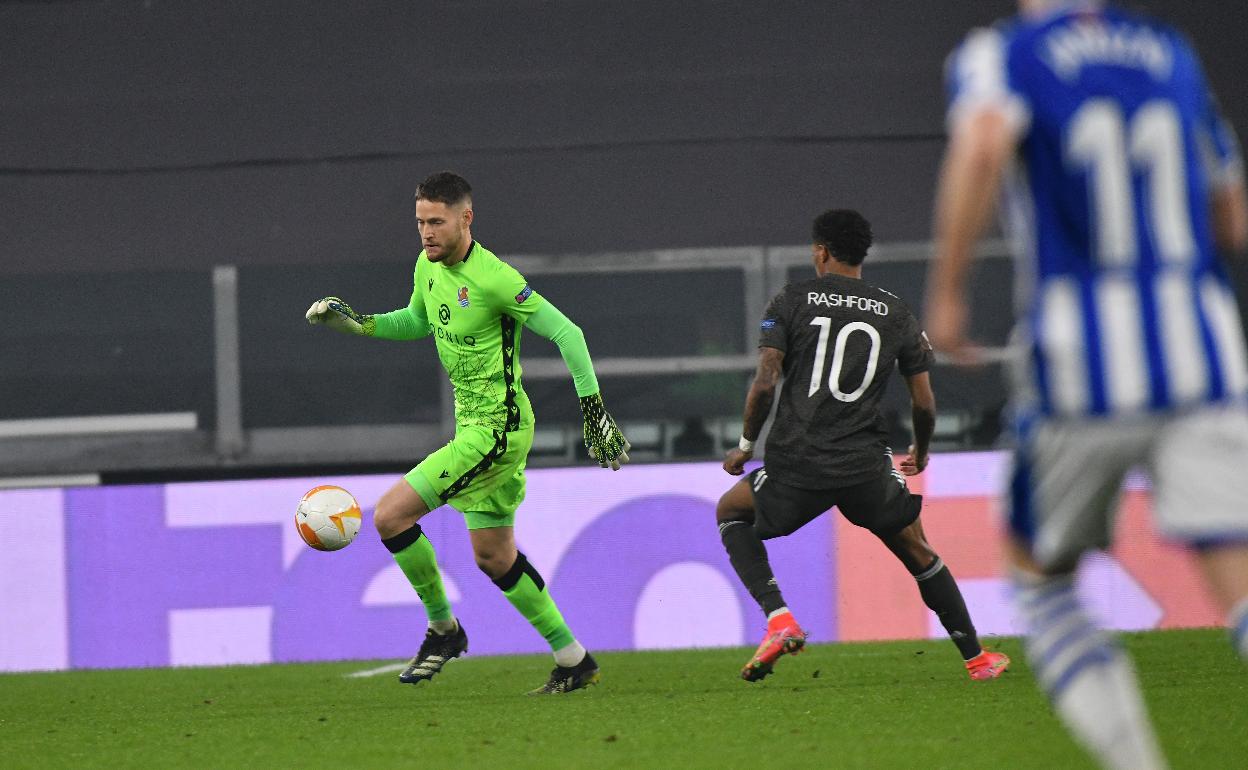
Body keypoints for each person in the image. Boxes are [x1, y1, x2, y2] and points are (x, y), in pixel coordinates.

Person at [928, 2, 1248, 767]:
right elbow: (1230, 213)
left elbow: (980, 141)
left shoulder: (1002, 53)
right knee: (1235, 574)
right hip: (1204, 353)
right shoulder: (1170, 52)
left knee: (1040, 582)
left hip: (1081, 361)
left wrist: (947, 291)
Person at [306, 171, 631, 695]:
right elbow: (417, 320)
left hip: (495, 433)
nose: (426, 233)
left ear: (466, 218)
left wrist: (593, 409)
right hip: (480, 428)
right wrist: (359, 324)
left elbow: (569, 333)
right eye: (420, 222)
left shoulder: (495, 279)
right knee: (494, 557)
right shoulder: (426, 266)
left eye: (437, 222)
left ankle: (443, 631)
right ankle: (574, 660)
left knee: (390, 517)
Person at [718, 209, 1010, 682]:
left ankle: (779, 618)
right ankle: (977, 659)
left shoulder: (792, 300)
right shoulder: (896, 312)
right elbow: (925, 401)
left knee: (731, 512)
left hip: (799, 462)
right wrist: (922, 448)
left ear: (821, 251)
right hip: (865, 466)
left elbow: (766, 382)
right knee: (918, 550)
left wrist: (746, 445)